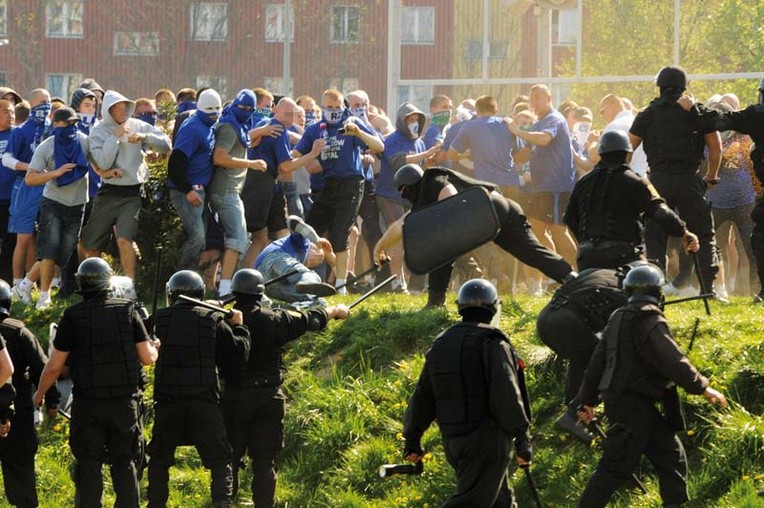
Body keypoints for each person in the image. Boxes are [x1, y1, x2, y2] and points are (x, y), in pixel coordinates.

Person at [575, 264, 728, 507]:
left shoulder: (617, 317)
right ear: (658, 293)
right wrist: (703, 388)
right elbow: (672, 359)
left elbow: (597, 362)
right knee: (613, 470)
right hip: (632, 408)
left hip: (631, 406)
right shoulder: (649, 318)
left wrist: (587, 399)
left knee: (671, 456)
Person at [34, 257, 159, 507]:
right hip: (124, 405)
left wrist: (39, 395)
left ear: (81, 285)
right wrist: (155, 346)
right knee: (124, 464)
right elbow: (147, 358)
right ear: (108, 282)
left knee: (89, 465)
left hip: (88, 405)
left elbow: (54, 366)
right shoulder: (128, 310)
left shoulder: (72, 316)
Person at [221, 268, 349, 506]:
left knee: (229, 461)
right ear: (261, 294)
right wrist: (336, 310)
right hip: (268, 398)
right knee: (265, 462)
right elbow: (313, 319)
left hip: (234, 399)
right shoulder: (277, 319)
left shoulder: (220, 320)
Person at [402, 279, 532, 507]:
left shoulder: (441, 344)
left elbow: (423, 395)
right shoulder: (493, 343)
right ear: (493, 308)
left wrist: (413, 438)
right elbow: (507, 393)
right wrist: (522, 439)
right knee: (472, 503)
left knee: (500, 501)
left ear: (460, 306)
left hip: (454, 440)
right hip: (486, 441)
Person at [374, 163, 575, 307]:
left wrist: (444, 225)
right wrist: (380, 245)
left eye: (403, 191)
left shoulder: (433, 181)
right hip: (496, 210)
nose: (403, 195)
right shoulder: (424, 196)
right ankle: (570, 277)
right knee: (530, 252)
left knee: (529, 252)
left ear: (408, 186)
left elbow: (451, 200)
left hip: (493, 208)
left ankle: (571, 278)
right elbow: (403, 224)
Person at [147, 270, 249, 508]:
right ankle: (223, 503)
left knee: (159, 460)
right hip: (203, 400)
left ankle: (155, 504)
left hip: (168, 401)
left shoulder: (157, 319)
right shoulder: (212, 320)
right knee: (221, 458)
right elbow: (237, 356)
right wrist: (239, 327)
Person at [629, 66, 721, 294]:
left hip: (658, 180)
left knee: (655, 235)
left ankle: (653, 288)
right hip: (690, 179)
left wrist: (630, 178)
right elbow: (716, 147)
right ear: (684, 86)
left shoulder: (647, 113)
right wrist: (711, 176)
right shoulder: (696, 111)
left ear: (659, 86)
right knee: (702, 233)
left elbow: (627, 146)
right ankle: (707, 289)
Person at [679, 78, 764, 302]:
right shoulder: (753, 117)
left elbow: (720, 121)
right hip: (723, 200)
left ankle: (758, 290)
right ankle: (750, 290)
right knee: (742, 242)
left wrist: (694, 109)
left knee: (755, 242)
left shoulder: (752, 121)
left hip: (745, 198)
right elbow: (720, 121)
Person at [564, 130, 699, 270]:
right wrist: (683, 231)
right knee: (651, 279)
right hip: (623, 257)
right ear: (628, 154)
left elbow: (569, 219)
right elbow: (660, 211)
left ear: (601, 153)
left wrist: (588, 244)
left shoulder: (583, 182)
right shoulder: (636, 181)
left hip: (587, 259)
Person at [293, 89, 385, 294]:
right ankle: (307, 277)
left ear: (343, 107)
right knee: (310, 230)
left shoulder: (350, 122)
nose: (333, 111)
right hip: (328, 184)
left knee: (341, 234)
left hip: (352, 182)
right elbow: (294, 155)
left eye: (336, 108)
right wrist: (310, 154)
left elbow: (379, 146)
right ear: (322, 107)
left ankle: (341, 285)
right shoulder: (315, 129)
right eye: (328, 108)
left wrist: (358, 133)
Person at [82, 90, 172, 279]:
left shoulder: (137, 125)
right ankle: (97, 284)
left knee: (124, 239)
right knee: (92, 244)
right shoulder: (98, 131)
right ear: (109, 110)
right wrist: (115, 137)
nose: (124, 112)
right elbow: (104, 163)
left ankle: (129, 287)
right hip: (108, 191)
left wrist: (143, 137)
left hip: (132, 193)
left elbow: (166, 144)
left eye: (126, 108)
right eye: (119, 108)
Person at [536, 266, 631, 443]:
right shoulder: (624, 294)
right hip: (568, 323)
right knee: (604, 362)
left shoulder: (599, 272)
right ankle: (574, 413)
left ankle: (574, 409)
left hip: (544, 320)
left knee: (580, 359)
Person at [24, 106, 92, 309]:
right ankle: (44, 296)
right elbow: (30, 178)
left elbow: (97, 164)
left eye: (73, 123)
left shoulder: (83, 141)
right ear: (56, 125)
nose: (71, 128)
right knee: (49, 249)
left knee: (64, 252)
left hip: (78, 203)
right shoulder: (47, 146)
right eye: (66, 124)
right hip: (53, 201)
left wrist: (109, 171)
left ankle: (26, 284)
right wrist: (55, 173)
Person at [0, 278, 58, 508]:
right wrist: (52, 400)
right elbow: (42, 368)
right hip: (19, 415)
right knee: (22, 479)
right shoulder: (19, 332)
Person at [209, 88, 268, 297]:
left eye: (249, 109)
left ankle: (212, 286)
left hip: (229, 190)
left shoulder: (238, 124)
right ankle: (225, 288)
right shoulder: (229, 127)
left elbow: (243, 142)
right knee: (238, 238)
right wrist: (250, 163)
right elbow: (220, 157)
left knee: (219, 241)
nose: (245, 111)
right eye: (242, 107)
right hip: (225, 191)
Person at [166, 89, 221, 271]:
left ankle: (192, 277)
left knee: (201, 236)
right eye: (210, 113)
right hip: (187, 190)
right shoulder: (193, 128)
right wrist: (187, 189)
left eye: (217, 112)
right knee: (197, 236)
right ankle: (183, 278)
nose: (214, 116)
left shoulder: (209, 124)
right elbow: (176, 162)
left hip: (199, 188)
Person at [255, 215, 336, 304]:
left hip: (267, 283)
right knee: (310, 275)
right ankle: (308, 281)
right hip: (274, 257)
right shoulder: (303, 242)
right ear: (312, 247)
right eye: (315, 257)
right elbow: (293, 221)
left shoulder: (297, 264)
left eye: (315, 264)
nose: (312, 264)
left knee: (313, 300)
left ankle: (298, 306)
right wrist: (317, 239)